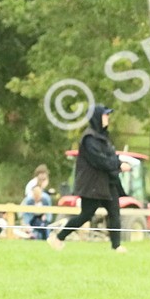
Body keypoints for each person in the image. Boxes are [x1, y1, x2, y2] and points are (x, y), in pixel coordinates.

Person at [48, 105, 130, 253]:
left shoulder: (104, 137)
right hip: (93, 185)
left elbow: (110, 156)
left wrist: (119, 163)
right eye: (105, 116)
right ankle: (58, 237)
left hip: (108, 182)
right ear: (97, 117)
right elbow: (99, 160)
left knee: (114, 213)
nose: (108, 118)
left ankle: (116, 246)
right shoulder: (89, 139)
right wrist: (118, 164)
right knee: (86, 214)